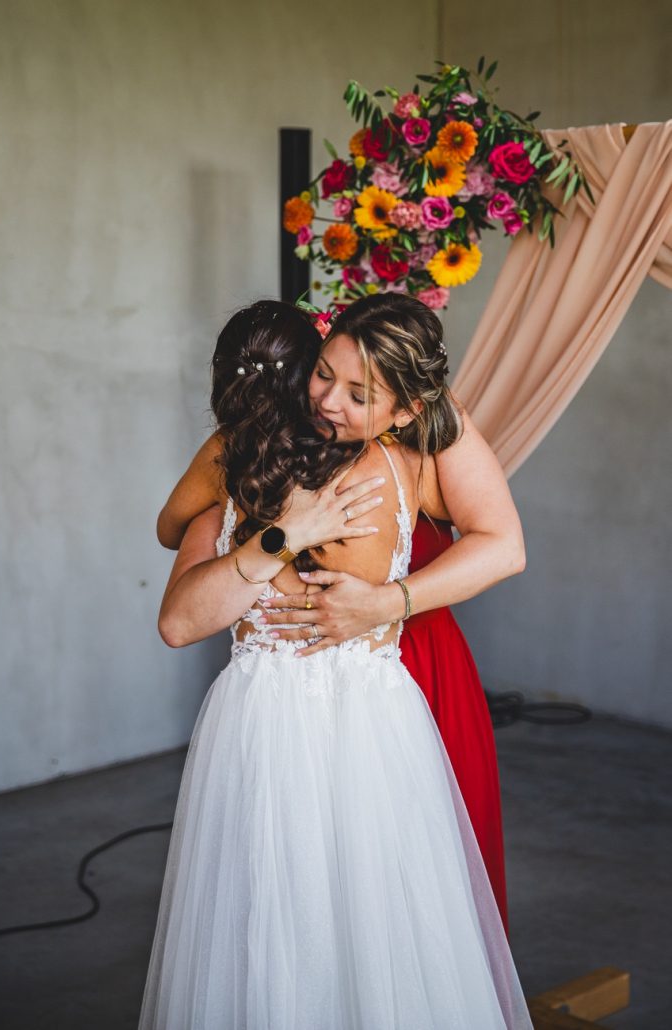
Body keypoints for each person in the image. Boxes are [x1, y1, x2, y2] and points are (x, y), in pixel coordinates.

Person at [139, 298, 531, 1029]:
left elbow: (504, 545)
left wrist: (388, 602)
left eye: (359, 394)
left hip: (395, 674)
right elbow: (176, 568)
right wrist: (275, 532)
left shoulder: (417, 450)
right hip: (278, 708)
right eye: (323, 374)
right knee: (272, 902)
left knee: (391, 898)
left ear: (406, 409)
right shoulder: (240, 456)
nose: (327, 401)